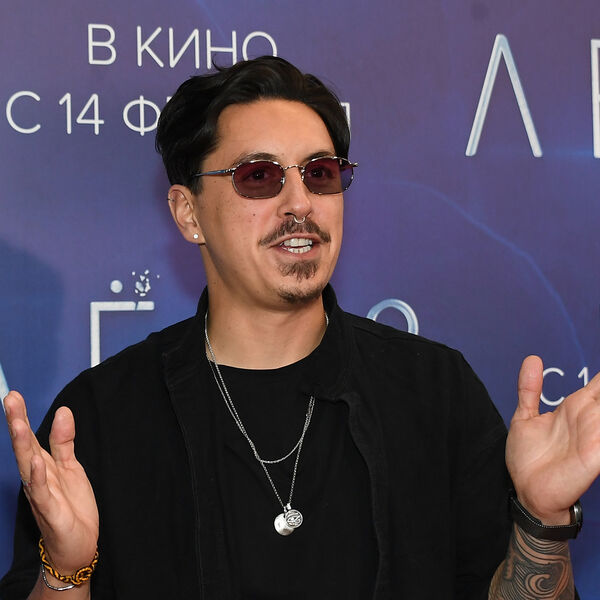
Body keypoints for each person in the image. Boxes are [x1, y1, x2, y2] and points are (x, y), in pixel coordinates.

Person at [1, 56, 599, 600]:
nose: (300, 203)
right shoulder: (102, 417)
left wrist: (541, 522)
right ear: (188, 213)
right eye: (259, 176)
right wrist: (66, 569)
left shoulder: (434, 391)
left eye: (321, 173)